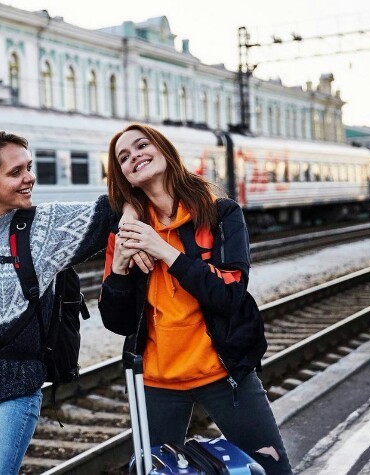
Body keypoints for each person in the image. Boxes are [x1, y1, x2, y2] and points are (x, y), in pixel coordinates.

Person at [0, 131, 147, 475]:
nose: (30, 177)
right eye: (15, 172)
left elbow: (115, 208)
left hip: (14, 387)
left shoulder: (47, 227)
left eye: (29, 167)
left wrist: (129, 214)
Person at [99, 123, 292, 475]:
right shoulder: (125, 231)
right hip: (157, 382)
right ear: (123, 176)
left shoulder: (221, 214)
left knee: (274, 469)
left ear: (163, 150)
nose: (134, 157)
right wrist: (120, 268)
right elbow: (118, 322)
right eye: (123, 157)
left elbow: (230, 294)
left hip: (222, 371)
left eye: (142, 145)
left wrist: (164, 251)